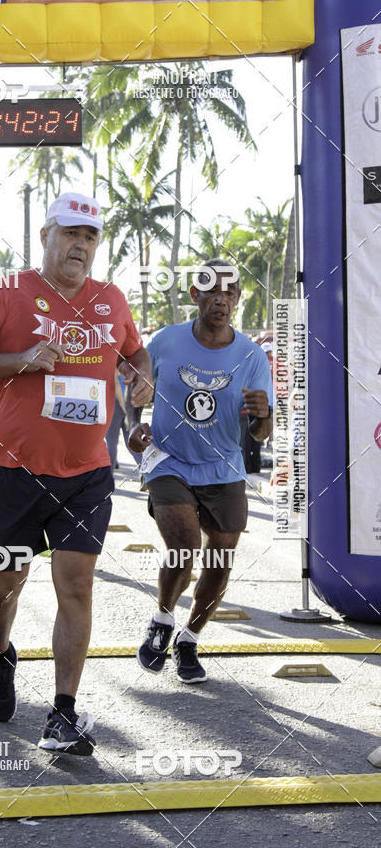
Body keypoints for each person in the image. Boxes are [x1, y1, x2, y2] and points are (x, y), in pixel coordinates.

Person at [0, 191, 152, 756]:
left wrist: (141, 380)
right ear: (46, 237)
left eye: (90, 238)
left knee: (76, 584)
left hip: (86, 472)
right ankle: (1, 653)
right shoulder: (5, 294)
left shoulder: (111, 299)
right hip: (15, 469)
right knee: (4, 584)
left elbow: (135, 354)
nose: (80, 246)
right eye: (70, 234)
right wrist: (20, 360)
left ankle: (62, 713)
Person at [130, 259, 273, 684]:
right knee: (184, 545)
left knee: (220, 560)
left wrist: (262, 416)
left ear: (238, 300)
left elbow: (262, 433)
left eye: (230, 292)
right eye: (212, 290)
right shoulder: (165, 342)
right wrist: (133, 428)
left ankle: (189, 638)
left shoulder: (250, 355)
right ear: (195, 295)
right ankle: (161, 618)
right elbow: (133, 393)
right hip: (168, 460)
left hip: (224, 466)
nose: (221, 299)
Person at [105, 371, 141, 470]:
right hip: (128, 402)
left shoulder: (116, 358)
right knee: (130, 441)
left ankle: (109, 476)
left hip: (117, 403)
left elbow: (115, 382)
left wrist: (123, 405)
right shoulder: (131, 359)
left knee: (111, 442)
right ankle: (146, 471)